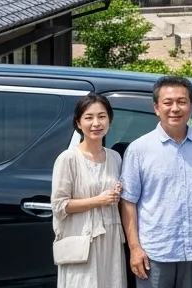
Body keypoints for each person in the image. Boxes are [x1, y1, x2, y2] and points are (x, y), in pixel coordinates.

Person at [121, 76, 192, 288]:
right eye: (167, 103)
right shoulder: (139, 149)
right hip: (155, 254)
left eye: (181, 101)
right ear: (156, 108)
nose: (175, 108)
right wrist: (135, 248)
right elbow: (128, 202)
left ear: (191, 106)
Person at [51, 93, 126, 288]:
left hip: (109, 239)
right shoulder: (69, 158)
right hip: (82, 240)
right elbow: (59, 206)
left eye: (102, 116)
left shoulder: (115, 158)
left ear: (109, 119)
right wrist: (98, 200)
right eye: (89, 117)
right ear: (78, 122)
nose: (96, 123)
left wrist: (116, 193)